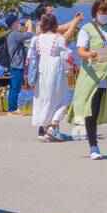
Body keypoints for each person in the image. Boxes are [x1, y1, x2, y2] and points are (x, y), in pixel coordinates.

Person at [69, 0, 107, 159]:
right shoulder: (86, 29)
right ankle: (93, 147)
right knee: (91, 111)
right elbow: (80, 51)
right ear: (95, 11)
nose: (105, 14)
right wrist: (89, 54)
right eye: (102, 11)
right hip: (93, 77)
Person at [27, 13, 73, 141]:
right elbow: (66, 57)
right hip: (56, 70)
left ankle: (46, 129)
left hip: (41, 71)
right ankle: (53, 125)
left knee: (44, 99)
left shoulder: (36, 39)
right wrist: (68, 69)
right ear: (54, 25)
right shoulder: (59, 39)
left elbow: (31, 57)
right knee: (62, 98)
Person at [4, 15, 32, 112]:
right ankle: (12, 108)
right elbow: (28, 35)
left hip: (15, 64)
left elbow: (23, 37)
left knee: (14, 87)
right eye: (18, 21)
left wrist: (25, 29)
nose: (19, 23)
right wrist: (29, 27)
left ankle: (13, 107)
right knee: (15, 88)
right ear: (14, 23)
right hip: (16, 65)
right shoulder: (13, 34)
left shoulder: (12, 34)